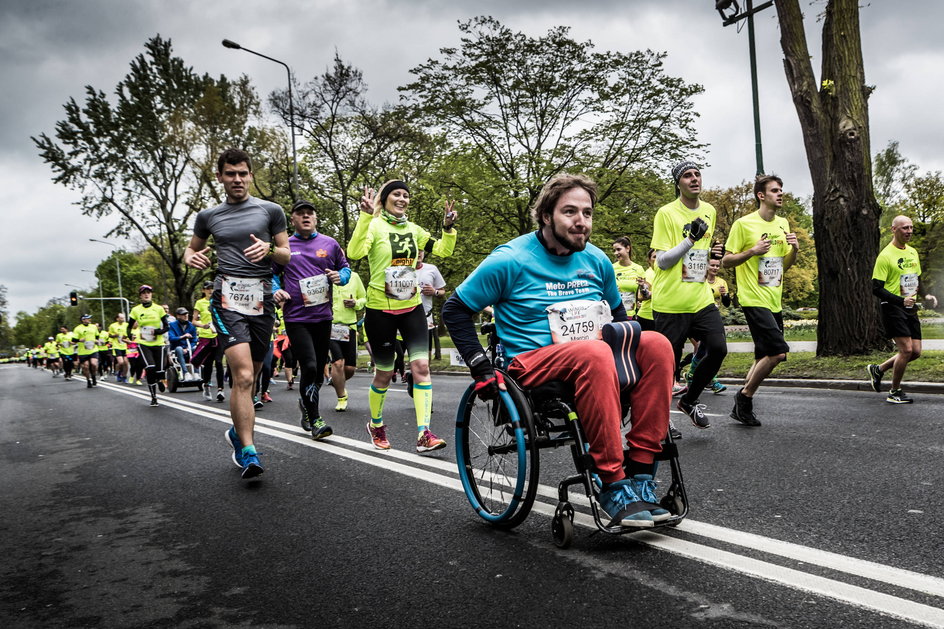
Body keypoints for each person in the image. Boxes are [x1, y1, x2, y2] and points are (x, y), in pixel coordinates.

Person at [442, 173, 674, 527]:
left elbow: (621, 317)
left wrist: (631, 349)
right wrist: (480, 367)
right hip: (532, 362)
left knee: (656, 344)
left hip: (590, 355)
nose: (581, 221)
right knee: (593, 353)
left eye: (588, 212)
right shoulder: (510, 259)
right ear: (547, 215)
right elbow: (455, 309)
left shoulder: (597, 261)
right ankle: (611, 482)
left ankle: (640, 472)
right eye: (570, 212)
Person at [183, 148, 290, 479]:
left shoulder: (271, 211)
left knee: (254, 376)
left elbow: (286, 254)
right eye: (231, 174)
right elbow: (192, 247)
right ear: (220, 177)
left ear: (251, 174)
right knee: (242, 375)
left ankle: (236, 433)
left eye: (243, 173)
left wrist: (270, 250)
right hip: (226, 297)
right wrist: (190, 256)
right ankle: (248, 450)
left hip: (262, 298)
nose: (238, 179)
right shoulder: (208, 216)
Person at [347, 180, 457, 453]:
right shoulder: (373, 226)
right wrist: (363, 216)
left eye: (406, 195)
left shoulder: (414, 230)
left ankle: (424, 433)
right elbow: (354, 252)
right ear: (383, 199)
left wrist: (447, 228)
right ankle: (376, 424)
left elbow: (444, 250)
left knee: (421, 368)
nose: (402, 198)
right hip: (379, 310)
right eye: (396, 194)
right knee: (384, 373)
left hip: (411, 307)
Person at [650, 160, 727, 429]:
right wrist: (689, 240)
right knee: (665, 368)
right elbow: (661, 261)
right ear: (678, 183)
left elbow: (700, 255)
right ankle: (661, 420)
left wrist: (711, 259)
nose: (694, 179)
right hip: (670, 303)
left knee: (717, 348)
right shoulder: (666, 213)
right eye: (687, 175)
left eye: (697, 174)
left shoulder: (710, 211)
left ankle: (689, 400)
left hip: (700, 298)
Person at [722, 175, 799, 424]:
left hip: (773, 297)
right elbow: (726, 260)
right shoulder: (743, 224)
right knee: (778, 353)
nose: (780, 194)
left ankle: (741, 406)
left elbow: (784, 266)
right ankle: (745, 396)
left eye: (781, 190)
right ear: (761, 195)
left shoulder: (783, 223)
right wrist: (752, 251)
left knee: (762, 356)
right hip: (752, 297)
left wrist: (795, 250)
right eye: (775, 190)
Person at [272, 200, 350, 440]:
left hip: (323, 316)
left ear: (315, 219)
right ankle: (316, 419)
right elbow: (272, 275)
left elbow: (346, 269)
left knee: (318, 372)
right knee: (309, 366)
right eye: (300, 214)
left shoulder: (330, 243)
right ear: (292, 219)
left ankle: (306, 406)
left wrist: (340, 276)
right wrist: (276, 290)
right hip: (296, 317)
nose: (306, 217)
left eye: (310, 214)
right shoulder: (284, 247)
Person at [867, 215, 939, 403]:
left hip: (910, 307)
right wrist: (900, 301)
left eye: (910, 227)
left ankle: (879, 369)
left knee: (915, 352)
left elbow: (917, 279)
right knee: (905, 350)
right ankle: (894, 391)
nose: (909, 231)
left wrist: (926, 295)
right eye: (904, 228)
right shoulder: (885, 256)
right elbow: (876, 289)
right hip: (892, 307)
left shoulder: (912, 252)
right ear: (894, 230)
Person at [328, 259, 367, 412]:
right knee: (337, 363)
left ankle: (337, 380)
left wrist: (355, 303)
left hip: (348, 326)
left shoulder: (354, 277)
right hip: (330, 326)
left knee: (350, 368)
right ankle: (341, 397)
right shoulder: (323, 277)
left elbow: (365, 299)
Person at [129, 285, 171, 407]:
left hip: (159, 343)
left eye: (149, 292)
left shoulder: (159, 309)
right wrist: (130, 335)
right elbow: (129, 326)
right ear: (140, 296)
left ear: (151, 294)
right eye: (144, 293)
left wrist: (157, 332)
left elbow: (167, 326)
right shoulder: (136, 310)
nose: (147, 295)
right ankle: (153, 397)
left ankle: (159, 379)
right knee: (150, 367)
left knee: (160, 370)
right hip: (144, 343)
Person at [191, 281, 226, 402]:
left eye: (212, 288)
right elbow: (194, 321)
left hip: (218, 335)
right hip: (206, 337)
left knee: (219, 362)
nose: (210, 291)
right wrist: (203, 325)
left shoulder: (220, 300)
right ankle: (206, 385)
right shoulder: (200, 303)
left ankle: (220, 390)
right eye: (208, 289)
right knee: (208, 364)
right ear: (203, 290)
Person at [416, 249, 447, 354]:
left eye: (421, 251)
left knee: (425, 354)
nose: (419, 253)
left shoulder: (432, 269)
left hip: (426, 317)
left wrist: (435, 292)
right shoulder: (402, 270)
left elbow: (443, 291)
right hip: (404, 315)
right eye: (416, 250)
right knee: (400, 354)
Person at [612, 236, 646, 317]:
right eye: (614, 250)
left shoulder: (639, 269)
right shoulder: (611, 268)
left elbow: (643, 295)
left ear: (628, 248)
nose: (616, 253)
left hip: (632, 314)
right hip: (614, 314)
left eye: (618, 249)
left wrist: (642, 290)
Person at [168, 307, 198, 380]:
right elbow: (171, 338)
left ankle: (196, 373)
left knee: (196, 348)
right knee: (179, 349)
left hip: (189, 348)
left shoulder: (192, 326)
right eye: (183, 314)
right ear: (178, 316)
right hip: (177, 349)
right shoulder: (172, 325)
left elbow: (194, 340)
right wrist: (182, 337)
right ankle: (186, 373)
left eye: (186, 314)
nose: (186, 315)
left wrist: (188, 349)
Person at [73, 314, 100, 388]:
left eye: (89, 319)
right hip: (83, 351)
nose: (89, 320)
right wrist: (79, 340)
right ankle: (88, 380)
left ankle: (94, 377)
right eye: (87, 319)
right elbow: (73, 340)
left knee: (94, 364)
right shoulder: (77, 328)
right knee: (86, 366)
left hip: (93, 349)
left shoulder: (94, 327)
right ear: (83, 320)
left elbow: (97, 336)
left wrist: (96, 340)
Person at [108, 313, 130, 382]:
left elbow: (129, 334)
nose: (123, 319)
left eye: (123, 318)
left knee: (126, 363)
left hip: (125, 346)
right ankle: (119, 373)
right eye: (121, 318)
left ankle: (124, 376)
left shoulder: (126, 325)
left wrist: (127, 338)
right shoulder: (113, 325)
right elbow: (110, 335)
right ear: (117, 319)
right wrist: (114, 335)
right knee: (121, 362)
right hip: (117, 346)